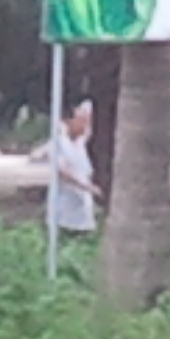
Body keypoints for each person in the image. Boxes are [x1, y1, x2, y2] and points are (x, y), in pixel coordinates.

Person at [50, 100, 100, 237]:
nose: (84, 125)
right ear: (68, 122)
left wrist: (87, 111)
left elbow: (88, 130)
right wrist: (87, 187)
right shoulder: (60, 143)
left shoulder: (79, 142)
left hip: (82, 207)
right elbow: (62, 172)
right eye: (80, 121)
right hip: (66, 210)